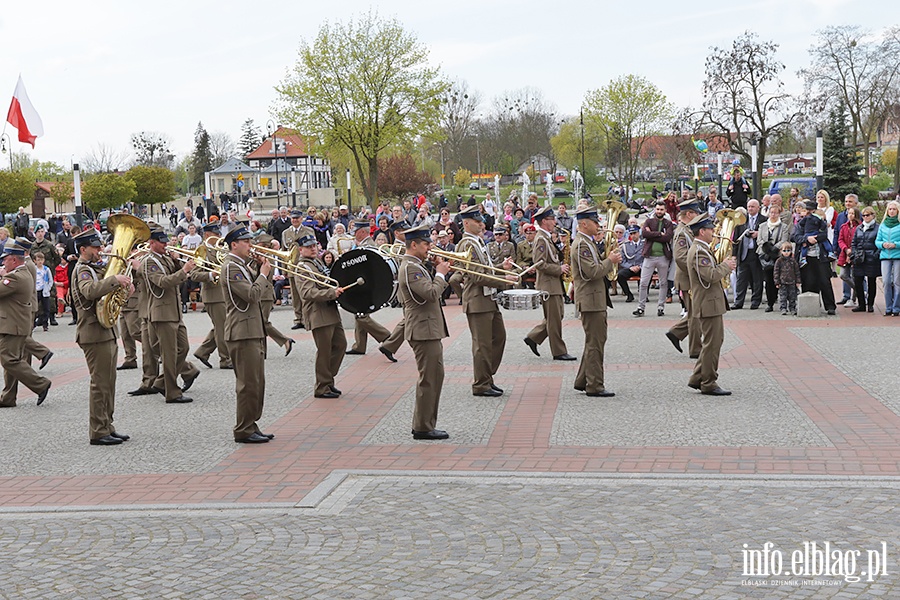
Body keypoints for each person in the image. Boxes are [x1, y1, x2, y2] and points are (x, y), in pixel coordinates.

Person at [70, 229, 134, 445]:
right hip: (93, 333)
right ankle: (98, 431)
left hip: (104, 332)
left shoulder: (94, 268)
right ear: (83, 249)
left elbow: (106, 299)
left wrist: (124, 290)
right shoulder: (83, 270)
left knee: (109, 382)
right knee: (100, 383)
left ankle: (107, 425)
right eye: (95, 247)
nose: (100, 250)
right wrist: (114, 279)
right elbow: (89, 292)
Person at [396, 223, 452, 440]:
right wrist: (439, 274)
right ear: (413, 244)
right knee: (430, 378)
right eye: (426, 243)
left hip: (427, 329)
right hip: (423, 330)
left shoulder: (417, 265)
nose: (430, 246)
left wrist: (437, 271)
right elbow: (428, 295)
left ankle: (424, 423)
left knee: (434, 376)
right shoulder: (410, 267)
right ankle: (423, 427)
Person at [455, 205, 517, 397]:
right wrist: (503, 279)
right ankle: (481, 383)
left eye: (481, 220)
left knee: (499, 337)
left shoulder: (477, 241)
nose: (482, 224)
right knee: (482, 344)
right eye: (477, 221)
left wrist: (501, 267)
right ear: (466, 223)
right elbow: (476, 276)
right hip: (478, 300)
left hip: (488, 298)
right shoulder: (467, 244)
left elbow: (485, 270)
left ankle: (487, 377)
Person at [221, 226, 274, 443]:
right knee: (247, 384)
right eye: (246, 242)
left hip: (252, 330)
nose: (250, 245)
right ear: (234, 244)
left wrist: (261, 269)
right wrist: (262, 274)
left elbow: (262, 291)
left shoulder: (241, 266)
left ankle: (251, 424)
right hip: (242, 332)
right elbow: (252, 295)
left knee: (257, 383)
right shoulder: (231, 267)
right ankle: (243, 429)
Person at [141, 227, 200, 403]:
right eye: (162, 242)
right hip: (162, 312)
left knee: (183, 348)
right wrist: (184, 270)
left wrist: (177, 263)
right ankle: (172, 392)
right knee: (169, 353)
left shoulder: (164, 258)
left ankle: (161, 382)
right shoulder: (149, 262)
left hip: (173, 311)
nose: (166, 244)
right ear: (152, 243)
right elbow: (163, 282)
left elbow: (174, 276)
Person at [571, 206, 621, 397]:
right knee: (595, 344)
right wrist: (610, 260)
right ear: (584, 224)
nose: (598, 225)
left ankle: (583, 379)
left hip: (594, 299)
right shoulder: (582, 244)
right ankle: (595, 385)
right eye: (594, 222)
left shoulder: (587, 242)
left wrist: (607, 257)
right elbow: (591, 272)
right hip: (590, 300)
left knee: (594, 341)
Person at [685, 214, 736, 396]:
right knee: (712, 344)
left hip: (710, 302)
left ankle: (698, 377)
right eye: (710, 229)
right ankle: (708, 382)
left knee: (713, 342)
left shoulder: (702, 249)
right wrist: (726, 266)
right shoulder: (699, 251)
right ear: (701, 231)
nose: (713, 232)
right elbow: (710, 275)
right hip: (708, 303)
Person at [0, 241, 52, 407]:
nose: (3, 263)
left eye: (5, 260)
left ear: (14, 260)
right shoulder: (18, 273)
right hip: (12, 324)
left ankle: (41, 384)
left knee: (9, 360)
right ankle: (8, 397)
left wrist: (2, 276)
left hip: (13, 326)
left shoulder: (15, 276)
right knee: (11, 360)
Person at [296, 234, 346, 398]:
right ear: (300, 250)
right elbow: (308, 292)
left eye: (314, 246)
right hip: (318, 313)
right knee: (324, 351)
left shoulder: (317, 263)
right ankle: (322, 386)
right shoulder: (303, 267)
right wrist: (331, 292)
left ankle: (327, 380)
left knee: (340, 345)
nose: (312, 249)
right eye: (308, 247)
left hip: (329, 310)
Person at [523, 206, 575, 361]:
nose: (555, 221)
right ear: (544, 221)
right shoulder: (541, 239)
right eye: (552, 219)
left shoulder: (546, 238)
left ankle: (533, 337)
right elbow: (539, 263)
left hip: (553, 284)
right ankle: (559, 351)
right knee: (555, 319)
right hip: (548, 285)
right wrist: (558, 269)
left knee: (557, 316)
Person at [345, 219, 391, 356]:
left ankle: (387, 337)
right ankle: (359, 345)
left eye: (356, 232)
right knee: (358, 314)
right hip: (362, 284)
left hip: (367, 285)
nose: (354, 234)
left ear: (363, 231)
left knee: (361, 315)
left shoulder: (369, 246)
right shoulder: (361, 244)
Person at [191, 222, 233, 370]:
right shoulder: (202, 251)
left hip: (224, 293)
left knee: (220, 326)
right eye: (216, 234)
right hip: (213, 295)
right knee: (222, 328)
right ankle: (225, 359)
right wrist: (211, 274)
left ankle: (203, 352)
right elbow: (194, 274)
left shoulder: (220, 249)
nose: (219, 237)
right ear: (208, 235)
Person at [665, 200, 702, 358]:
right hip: (688, 279)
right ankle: (695, 349)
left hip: (690, 278)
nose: (698, 216)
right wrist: (698, 271)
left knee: (696, 313)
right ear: (689, 214)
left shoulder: (687, 230)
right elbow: (680, 258)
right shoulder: (681, 232)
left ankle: (676, 332)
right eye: (696, 213)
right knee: (695, 315)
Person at [792, 199, 836, 315]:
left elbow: (824, 235)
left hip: (820, 256)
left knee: (824, 281)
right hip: (806, 257)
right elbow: (796, 237)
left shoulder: (820, 221)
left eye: (812, 210)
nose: (809, 213)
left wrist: (815, 238)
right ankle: (810, 305)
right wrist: (806, 239)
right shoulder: (801, 223)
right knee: (808, 281)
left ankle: (830, 306)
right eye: (808, 210)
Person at [634, 201, 673, 318]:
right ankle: (641, 307)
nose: (659, 211)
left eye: (661, 209)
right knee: (644, 282)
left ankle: (661, 306)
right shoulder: (649, 221)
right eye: (657, 209)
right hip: (649, 256)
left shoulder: (668, 223)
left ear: (665, 211)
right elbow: (645, 234)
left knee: (663, 283)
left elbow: (668, 237)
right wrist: (659, 234)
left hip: (663, 257)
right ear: (655, 210)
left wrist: (654, 234)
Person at [282, 209, 314, 330]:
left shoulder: (308, 230)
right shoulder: (286, 233)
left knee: (305, 293)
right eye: (293, 218)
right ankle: (298, 319)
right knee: (295, 295)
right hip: (292, 266)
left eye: (297, 218)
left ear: (301, 219)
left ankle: (307, 318)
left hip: (304, 266)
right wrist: (284, 269)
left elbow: (312, 248)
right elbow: (284, 251)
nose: (295, 220)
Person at [730, 199, 765, 310]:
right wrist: (734, 255)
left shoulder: (764, 220)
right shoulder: (741, 221)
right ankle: (738, 302)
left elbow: (767, 235)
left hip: (756, 253)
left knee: (757, 279)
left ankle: (755, 302)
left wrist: (758, 234)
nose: (750, 209)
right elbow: (736, 239)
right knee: (741, 279)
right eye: (749, 207)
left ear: (758, 208)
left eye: (753, 207)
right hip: (744, 253)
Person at [850, 207, 880, 313]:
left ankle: (870, 304)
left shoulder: (878, 228)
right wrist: (854, 254)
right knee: (858, 281)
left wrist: (875, 255)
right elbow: (854, 242)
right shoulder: (859, 228)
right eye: (864, 215)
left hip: (872, 258)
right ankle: (861, 304)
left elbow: (880, 243)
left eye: (868, 215)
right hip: (859, 258)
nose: (865, 217)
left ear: (873, 215)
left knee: (871, 281)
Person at [875, 200, 900, 316]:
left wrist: (895, 244)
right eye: (890, 209)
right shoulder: (883, 225)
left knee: (897, 281)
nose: (892, 211)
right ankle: (888, 306)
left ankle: (896, 307)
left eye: (894, 209)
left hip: (897, 256)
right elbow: (877, 241)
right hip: (885, 255)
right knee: (886, 281)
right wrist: (882, 245)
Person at [834, 194, 861, 305]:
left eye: (850, 201)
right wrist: (838, 248)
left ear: (856, 203)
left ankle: (856, 297)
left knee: (856, 275)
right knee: (844, 275)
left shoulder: (860, 221)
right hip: (844, 251)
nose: (847, 204)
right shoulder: (841, 217)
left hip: (856, 252)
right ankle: (847, 295)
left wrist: (853, 251)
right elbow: (837, 233)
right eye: (846, 201)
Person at [773, 242, 800, 315]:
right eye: (784, 251)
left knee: (792, 296)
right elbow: (776, 272)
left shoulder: (793, 261)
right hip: (782, 282)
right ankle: (783, 308)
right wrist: (777, 282)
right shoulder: (779, 261)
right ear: (781, 251)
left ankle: (792, 308)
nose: (786, 253)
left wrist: (798, 281)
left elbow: (797, 271)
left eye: (788, 250)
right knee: (783, 296)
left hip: (792, 282)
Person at [32, 252, 53, 331]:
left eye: (41, 260)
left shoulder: (46, 269)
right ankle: (33, 324)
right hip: (36, 290)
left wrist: (48, 288)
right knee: (34, 308)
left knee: (46, 308)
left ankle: (45, 324)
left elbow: (50, 280)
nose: (40, 262)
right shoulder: (33, 269)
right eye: (38, 260)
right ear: (34, 261)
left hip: (44, 290)